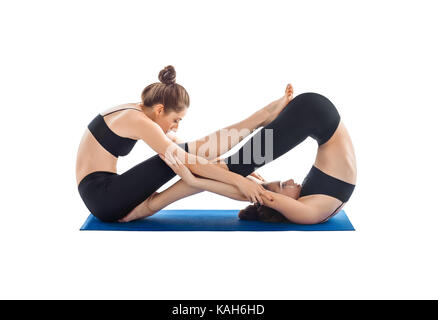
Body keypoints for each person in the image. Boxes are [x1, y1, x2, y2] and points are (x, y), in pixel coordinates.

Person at [76, 65, 292, 222]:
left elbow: (183, 147)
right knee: (184, 159)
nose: (175, 127)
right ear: (160, 109)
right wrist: (238, 180)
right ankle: (260, 119)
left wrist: (216, 163)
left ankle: (260, 118)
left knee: (188, 155)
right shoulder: (139, 122)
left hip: (102, 194)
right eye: (175, 120)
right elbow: (186, 156)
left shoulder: (133, 110)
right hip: (105, 198)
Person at [122, 89, 356, 225]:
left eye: (285, 184)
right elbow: (257, 194)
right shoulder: (308, 212)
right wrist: (200, 180)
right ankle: (152, 204)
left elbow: (258, 194)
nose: (294, 181)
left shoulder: (308, 210)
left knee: (235, 169)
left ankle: (153, 203)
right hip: (313, 114)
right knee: (235, 169)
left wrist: (198, 180)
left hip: (314, 115)